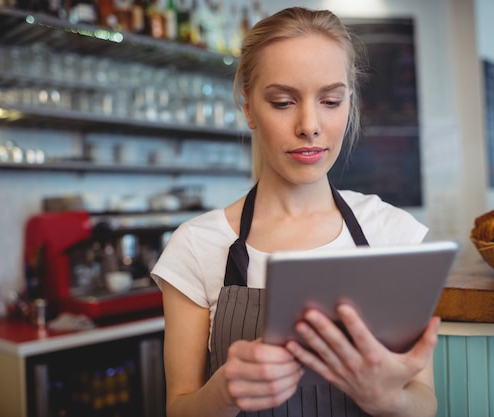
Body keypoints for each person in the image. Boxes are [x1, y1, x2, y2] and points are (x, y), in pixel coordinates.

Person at [151, 6, 440, 417]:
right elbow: (178, 408)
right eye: (283, 102)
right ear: (249, 108)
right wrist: (222, 393)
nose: (310, 124)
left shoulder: (394, 234)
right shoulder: (196, 246)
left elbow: (424, 403)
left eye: (330, 100)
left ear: (349, 104)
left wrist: (388, 399)